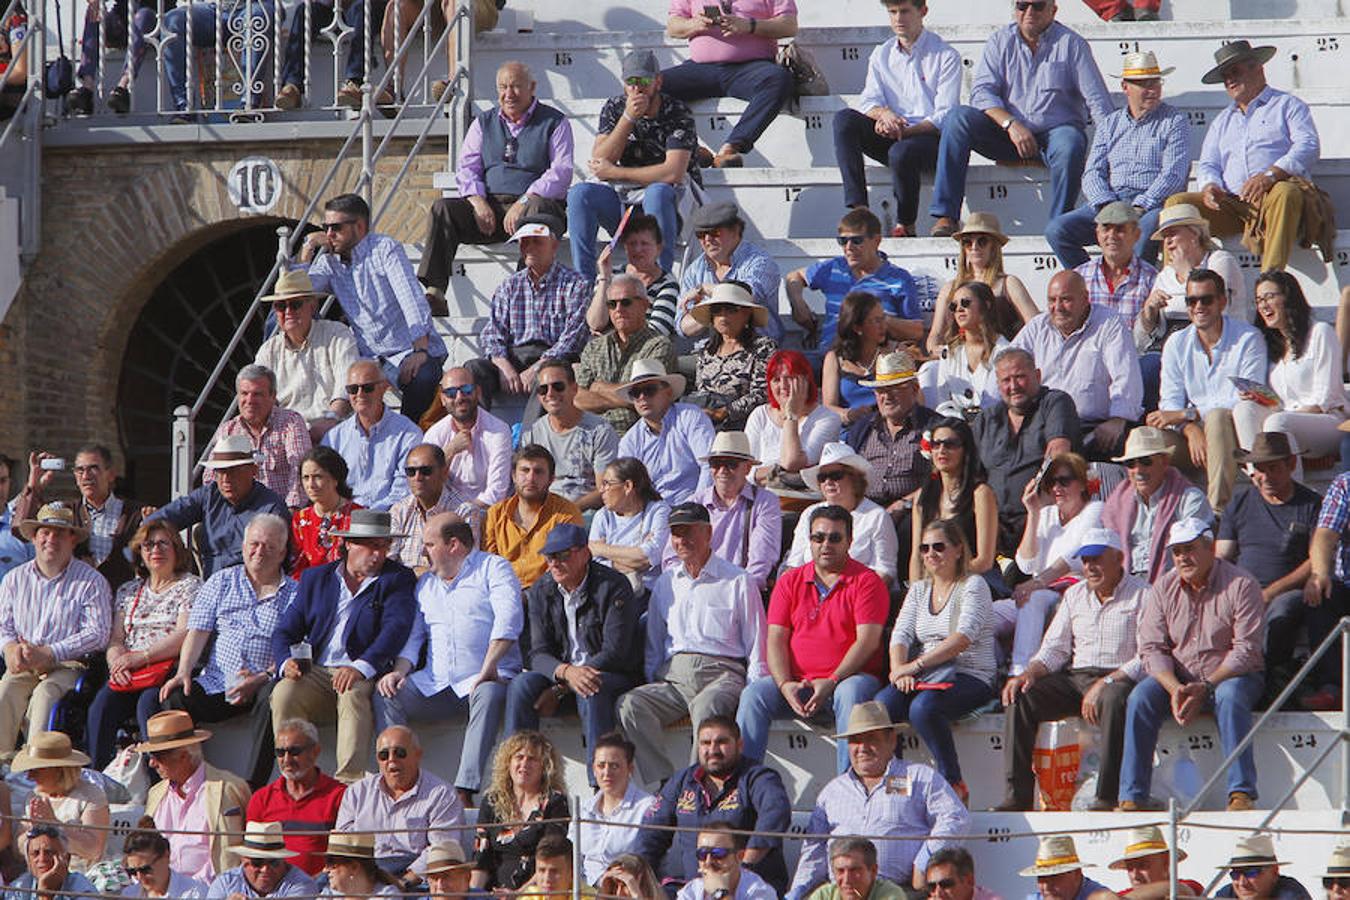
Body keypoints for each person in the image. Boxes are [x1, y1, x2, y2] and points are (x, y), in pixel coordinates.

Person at [927, 0, 1113, 236]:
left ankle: (1060, 226)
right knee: (957, 119)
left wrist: (1116, 149)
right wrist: (1010, 123)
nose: (1028, 12)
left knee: (1070, 143)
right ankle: (946, 215)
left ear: (1053, 10)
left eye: (1037, 6)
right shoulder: (1000, 40)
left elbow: (1098, 102)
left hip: (1054, 136)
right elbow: (982, 92)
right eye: (1022, 5)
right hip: (1006, 133)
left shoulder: (1072, 44)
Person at [1118, 517, 1265, 813]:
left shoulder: (1241, 584)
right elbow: (1151, 647)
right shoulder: (1164, 587)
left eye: (1190, 549)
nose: (1183, 557)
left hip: (1232, 675)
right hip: (1181, 678)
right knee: (1139, 698)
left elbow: (1246, 650)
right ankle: (1132, 795)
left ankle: (1241, 793)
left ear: (1210, 548)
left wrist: (1207, 685)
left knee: (1230, 696)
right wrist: (1175, 688)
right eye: (1177, 551)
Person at [997, 528, 1145, 812]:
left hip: (1120, 675)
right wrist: (1029, 673)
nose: (1090, 566)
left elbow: (1147, 655)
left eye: (1097, 559)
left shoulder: (1142, 594)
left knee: (1114, 699)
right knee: (1021, 694)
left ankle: (1107, 795)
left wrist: (1106, 682)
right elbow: (1055, 649)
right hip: (1077, 677)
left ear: (1119, 558)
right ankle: (1018, 795)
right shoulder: (1075, 594)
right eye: (1086, 560)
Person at [376, 513, 521, 800]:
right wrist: (399, 672)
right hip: (437, 684)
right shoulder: (426, 584)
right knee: (386, 693)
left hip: (487, 678)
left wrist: (488, 668)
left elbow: (510, 620)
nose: (422, 551)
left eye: (429, 544)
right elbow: (414, 639)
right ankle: (398, 780)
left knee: (488, 692)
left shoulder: (494, 568)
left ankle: (465, 788)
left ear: (453, 544)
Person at [620, 503, 767, 786]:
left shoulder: (737, 580)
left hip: (723, 675)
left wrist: (752, 687)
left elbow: (756, 640)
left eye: (689, 532)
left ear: (708, 534)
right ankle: (666, 785)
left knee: (706, 707)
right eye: (676, 533)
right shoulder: (666, 583)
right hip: (675, 678)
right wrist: (655, 677)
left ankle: (693, 788)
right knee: (629, 705)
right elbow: (654, 642)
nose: (681, 540)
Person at [268, 508, 416, 783]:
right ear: (348, 544)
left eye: (384, 547)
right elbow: (285, 630)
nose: (379, 554)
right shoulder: (316, 579)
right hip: (317, 670)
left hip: (361, 670)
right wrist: (285, 661)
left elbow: (395, 629)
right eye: (371, 546)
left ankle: (348, 782)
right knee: (284, 693)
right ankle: (293, 775)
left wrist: (360, 667)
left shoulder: (397, 578)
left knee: (352, 692)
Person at [738, 505, 888, 774]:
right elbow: (775, 640)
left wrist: (831, 681)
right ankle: (740, 788)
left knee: (849, 692)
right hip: (798, 684)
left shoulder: (867, 581)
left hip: (848, 680)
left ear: (850, 541)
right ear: (810, 541)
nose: (825, 544)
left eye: (835, 538)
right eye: (818, 537)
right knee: (754, 695)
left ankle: (848, 787)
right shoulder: (790, 581)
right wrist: (785, 685)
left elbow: (868, 642)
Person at [417, 61, 572, 304]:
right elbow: (466, 168)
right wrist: (478, 201)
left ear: (532, 87)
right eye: (503, 87)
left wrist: (523, 201)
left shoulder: (554, 122)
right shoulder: (483, 123)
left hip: (533, 207)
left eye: (516, 87)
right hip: (491, 209)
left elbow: (561, 173)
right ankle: (434, 291)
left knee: (538, 209)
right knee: (443, 209)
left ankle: (526, 289)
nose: (508, 94)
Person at [159, 514, 296, 786]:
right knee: (175, 696)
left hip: (261, 684)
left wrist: (262, 678)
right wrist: (184, 671)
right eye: (254, 544)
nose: (259, 552)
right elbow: (197, 631)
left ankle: (252, 788)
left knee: (275, 697)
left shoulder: (295, 593)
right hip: (218, 682)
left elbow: (293, 648)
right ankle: (188, 780)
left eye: (269, 546)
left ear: (281, 552)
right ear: (244, 547)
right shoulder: (222, 581)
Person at [1166, 40, 1323, 272]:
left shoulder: (1287, 105)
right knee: (1176, 204)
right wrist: (1210, 187)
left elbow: (1308, 145)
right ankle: (1174, 282)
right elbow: (1209, 163)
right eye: (1225, 76)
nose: (1229, 80)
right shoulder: (1222, 121)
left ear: (1258, 68)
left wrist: (1270, 176)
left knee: (1286, 191)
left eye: (1235, 72)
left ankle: (1270, 278)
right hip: (1231, 204)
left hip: (1273, 197)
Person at [789, 703, 968, 900]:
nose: (862, 748)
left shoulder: (918, 777)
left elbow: (955, 817)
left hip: (901, 891)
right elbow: (813, 850)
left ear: (892, 740)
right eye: (855, 741)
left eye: (871, 738)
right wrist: (796, 894)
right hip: (841, 892)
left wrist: (925, 859)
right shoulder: (831, 792)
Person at [506, 524, 643, 772]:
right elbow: (537, 654)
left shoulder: (613, 586)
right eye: (549, 557)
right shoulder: (541, 590)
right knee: (521, 686)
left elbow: (615, 652)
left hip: (610, 675)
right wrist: (566, 674)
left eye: (562, 555)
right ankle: (514, 779)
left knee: (590, 688)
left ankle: (598, 785)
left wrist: (563, 687)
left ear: (584, 554)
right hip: (565, 673)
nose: (554, 564)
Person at [303, 194, 447, 422]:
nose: (329, 234)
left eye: (336, 227)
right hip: (365, 356)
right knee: (278, 316)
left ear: (359, 226)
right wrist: (308, 249)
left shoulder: (384, 249)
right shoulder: (329, 260)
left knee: (424, 375)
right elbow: (300, 293)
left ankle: (409, 440)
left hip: (404, 350)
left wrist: (420, 350)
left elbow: (411, 298)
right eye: (326, 227)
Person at [877, 521, 994, 802]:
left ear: (958, 550)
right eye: (925, 548)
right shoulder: (918, 590)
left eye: (939, 547)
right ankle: (897, 784)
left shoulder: (973, 585)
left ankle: (952, 783)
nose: (931, 554)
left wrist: (913, 667)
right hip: (927, 675)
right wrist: (897, 671)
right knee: (883, 705)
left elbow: (963, 637)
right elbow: (901, 633)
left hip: (970, 673)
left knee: (923, 709)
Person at [1046, 52, 1189, 269]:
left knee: (1147, 228)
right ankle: (1093, 282)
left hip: (1150, 204)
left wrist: (1141, 205)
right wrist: (1106, 204)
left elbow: (1173, 174)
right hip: (1111, 200)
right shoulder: (1109, 124)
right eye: (1143, 83)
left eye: (1155, 82)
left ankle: (1133, 287)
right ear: (1126, 87)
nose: (1152, 89)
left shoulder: (1174, 120)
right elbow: (1093, 171)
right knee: (1057, 230)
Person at [832, 0, 960, 237]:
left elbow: (945, 115)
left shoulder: (946, 55)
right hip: (893, 133)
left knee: (901, 151)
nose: (898, 18)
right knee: (844, 120)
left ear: (923, 12)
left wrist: (906, 131)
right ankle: (860, 210)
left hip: (930, 140)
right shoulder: (881, 54)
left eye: (904, 11)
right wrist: (885, 114)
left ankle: (906, 224)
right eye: (892, 12)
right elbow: (869, 101)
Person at [568, 49, 697, 282]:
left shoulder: (677, 111)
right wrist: (627, 119)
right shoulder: (615, 107)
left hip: (669, 203)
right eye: (631, 82)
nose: (637, 88)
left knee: (658, 192)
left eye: (644, 81)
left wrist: (616, 172)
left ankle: (659, 280)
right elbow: (600, 159)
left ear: (658, 81)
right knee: (580, 193)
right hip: (625, 202)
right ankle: (584, 282)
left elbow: (673, 172)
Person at [1146, 268, 1268, 511]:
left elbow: (1247, 397)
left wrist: (1189, 414)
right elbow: (1169, 403)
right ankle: (1151, 513)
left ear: (1222, 301)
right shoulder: (1176, 343)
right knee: (1143, 440)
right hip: (1190, 437)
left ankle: (1217, 512)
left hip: (1234, 432)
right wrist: (1190, 429)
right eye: (1192, 300)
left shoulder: (1248, 339)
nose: (1198, 306)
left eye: (1206, 299)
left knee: (1217, 417)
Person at [1217, 433, 1325, 697]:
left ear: (1290, 465)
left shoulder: (1311, 504)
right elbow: (1222, 555)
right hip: (1241, 590)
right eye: (1260, 469)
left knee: (1281, 610)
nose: (1265, 477)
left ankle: (1264, 680)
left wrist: (1270, 592)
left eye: (1273, 468)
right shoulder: (1239, 502)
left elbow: (1317, 556)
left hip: (1290, 590)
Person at [86, 521, 199, 770]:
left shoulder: (189, 586)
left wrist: (142, 657)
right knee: (101, 706)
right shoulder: (128, 590)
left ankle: (160, 780)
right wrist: (117, 663)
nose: (154, 550)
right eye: (148, 545)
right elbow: (116, 639)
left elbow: (184, 634)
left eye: (162, 543)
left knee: (148, 705)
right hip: (130, 671)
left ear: (176, 550)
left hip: (165, 669)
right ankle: (98, 777)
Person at [0, 501, 111, 753]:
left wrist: (50, 652)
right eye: (44, 532)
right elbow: (2, 625)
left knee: (45, 696)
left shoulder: (91, 581)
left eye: (59, 533)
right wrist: (9, 648)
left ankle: (36, 768)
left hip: (68, 664)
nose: (51, 539)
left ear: (72, 539)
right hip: (23, 660)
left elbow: (99, 633)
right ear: (34, 538)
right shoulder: (13, 579)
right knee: (4, 693)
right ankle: (2, 771)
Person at [636, 716, 791, 896]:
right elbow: (651, 835)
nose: (712, 750)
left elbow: (776, 814)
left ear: (739, 745)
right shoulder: (682, 781)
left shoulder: (758, 778)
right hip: (693, 891)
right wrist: (636, 873)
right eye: (705, 743)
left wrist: (743, 868)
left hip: (749, 890)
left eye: (721, 742)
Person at [1010, 272, 1141, 461]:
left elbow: (1126, 376)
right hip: (1044, 424)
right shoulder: (1038, 326)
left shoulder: (1109, 323)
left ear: (1085, 299)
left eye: (1065, 300)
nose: (1057, 308)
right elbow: (1007, 363)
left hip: (1093, 428)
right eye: (1052, 300)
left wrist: (1117, 419)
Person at [467, 214, 591, 412]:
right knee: (473, 370)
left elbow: (573, 339)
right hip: (513, 356)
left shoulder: (575, 285)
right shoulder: (509, 286)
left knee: (549, 377)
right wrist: (502, 365)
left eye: (537, 241)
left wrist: (537, 368)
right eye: (524, 242)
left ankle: (531, 438)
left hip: (552, 357)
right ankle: (478, 432)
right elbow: (493, 333)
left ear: (554, 245)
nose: (529, 247)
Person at [661, 0, 798, 169]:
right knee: (653, 87)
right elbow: (673, 27)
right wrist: (695, 24)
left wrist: (750, 25)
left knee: (779, 79)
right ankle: (689, 147)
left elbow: (789, 25)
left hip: (751, 68)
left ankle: (732, 147)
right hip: (701, 68)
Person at [972, 346, 1081, 551]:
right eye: (1006, 380)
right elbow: (972, 474)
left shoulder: (1055, 402)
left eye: (1020, 377)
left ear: (1037, 375)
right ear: (998, 384)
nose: (1013, 386)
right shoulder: (987, 419)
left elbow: (1059, 454)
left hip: (1042, 519)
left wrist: (1036, 497)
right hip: (992, 525)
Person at [1233, 271, 1348, 457]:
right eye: (1259, 300)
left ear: (1288, 298)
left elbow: (1325, 399)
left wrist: (1283, 415)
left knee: (1277, 424)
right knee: (1244, 410)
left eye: (1269, 297)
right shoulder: (1272, 346)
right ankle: (1259, 474)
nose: (1263, 305)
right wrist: (1259, 396)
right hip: (1289, 418)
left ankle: (1291, 485)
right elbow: (1280, 402)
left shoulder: (1320, 332)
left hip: (1328, 420)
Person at [1008, 452, 1103, 675]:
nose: (1057, 488)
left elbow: (1074, 555)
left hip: (1072, 589)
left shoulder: (1095, 509)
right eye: (1052, 482)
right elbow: (1026, 564)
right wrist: (1033, 513)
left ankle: (1021, 672)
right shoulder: (1047, 513)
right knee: (989, 615)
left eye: (1065, 481)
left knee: (1033, 599)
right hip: (1038, 588)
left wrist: (1037, 583)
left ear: (1082, 483)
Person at [335, 726, 466, 884]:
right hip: (364, 872)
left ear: (418, 755)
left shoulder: (441, 794)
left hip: (414, 873)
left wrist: (405, 882)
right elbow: (344, 845)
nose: (391, 760)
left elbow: (442, 848)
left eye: (399, 753)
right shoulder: (356, 793)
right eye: (384, 755)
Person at [146, 435, 291, 577]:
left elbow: (270, 566)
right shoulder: (209, 495)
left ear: (254, 471)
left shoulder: (271, 509)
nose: (226, 479)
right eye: (220, 471)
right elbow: (158, 521)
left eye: (234, 470)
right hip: (211, 589)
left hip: (251, 590)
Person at [783, 209, 923, 354]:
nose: (848, 247)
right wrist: (797, 302)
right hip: (829, 355)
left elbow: (916, 331)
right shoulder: (834, 267)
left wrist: (877, 320)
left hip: (872, 359)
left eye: (857, 240)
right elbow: (794, 277)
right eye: (843, 241)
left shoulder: (898, 278)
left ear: (876, 241)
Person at [660, 432, 782, 595]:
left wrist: (736, 593)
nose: (722, 471)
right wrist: (689, 588)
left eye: (731, 464)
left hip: (737, 591)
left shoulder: (765, 502)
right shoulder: (695, 502)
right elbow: (671, 558)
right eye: (716, 464)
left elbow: (761, 561)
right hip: (692, 590)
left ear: (747, 468)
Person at [139, 710, 252, 882]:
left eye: (157, 756)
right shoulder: (156, 794)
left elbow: (240, 854)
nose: (151, 763)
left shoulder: (230, 789)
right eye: (150, 756)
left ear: (183, 756)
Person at [14, 444, 143, 588]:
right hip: (76, 600)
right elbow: (20, 530)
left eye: (93, 469)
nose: (86, 476)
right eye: (80, 470)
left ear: (111, 474)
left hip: (121, 603)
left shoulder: (134, 514)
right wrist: (34, 485)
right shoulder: (65, 511)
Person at [253, 270, 360, 442]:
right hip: (286, 435)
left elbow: (346, 388)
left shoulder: (337, 334)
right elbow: (261, 398)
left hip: (335, 430)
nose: (288, 311)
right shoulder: (268, 350)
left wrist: (329, 422)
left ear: (312, 306)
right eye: (280, 306)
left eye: (295, 304)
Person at [845, 351, 936, 550]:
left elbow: (943, 478)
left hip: (911, 512)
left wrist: (904, 503)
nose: (885, 396)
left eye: (894, 388)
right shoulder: (862, 428)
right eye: (880, 390)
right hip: (864, 510)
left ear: (914, 389)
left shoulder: (933, 427)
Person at [1101, 426, 1211, 583]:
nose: (1138, 470)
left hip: (1173, 583)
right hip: (1124, 584)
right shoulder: (1117, 502)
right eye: (1131, 463)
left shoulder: (1189, 498)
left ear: (1164, 462)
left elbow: (1195, 553)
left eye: (1146, 461)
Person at [782, 443, 899, 586]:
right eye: (822, 477)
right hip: (811, 594)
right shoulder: (809, 514)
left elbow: (885, 571)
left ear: (855, 479)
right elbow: (795, 565)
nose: (828, 482)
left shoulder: (876, 516)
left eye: (835, 476)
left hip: (858, 595)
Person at [1136, 204, 1248, 353]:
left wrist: (1187, 272)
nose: (1167, 242)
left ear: (1195, 234)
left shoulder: (1220, 261)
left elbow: (1218, 313)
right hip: (1166, 349)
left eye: (1173, 234)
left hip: (1218, 348)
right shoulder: (1166, 274)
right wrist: (1149, 313)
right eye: (1165, 237)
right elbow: (1141, 338)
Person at [576, 273, 679, 435]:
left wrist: (598, 387)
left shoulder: (659, 345)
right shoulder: (594, 347)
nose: (618, 309)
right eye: (611, 304)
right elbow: (577, 399)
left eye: (626, 302)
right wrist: (628, 394)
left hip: (632, 436)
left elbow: (649, 399)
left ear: (645, 305)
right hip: (587, 435)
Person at [320, 359, 425, 511]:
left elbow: (404, 491)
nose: (360, 394)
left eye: (367, 388)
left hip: (390, 520)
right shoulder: (334, 438)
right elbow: (326, 484)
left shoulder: (408, 434)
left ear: (384, 387)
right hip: (343, 520)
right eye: (353, 389)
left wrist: (368, 516)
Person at [471, 731, 570, 891]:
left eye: (532, 759)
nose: (524, 764)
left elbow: (550, 860)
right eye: (519, 757)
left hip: (534, 892)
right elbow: (481, 859)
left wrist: (518, 894)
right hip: (493, 893)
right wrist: (474, 894)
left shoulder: (555, 802)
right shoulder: (491, 801)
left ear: (545, 767)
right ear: (508, 763)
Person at [926, 214, 1038, 356]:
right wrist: (940, 351)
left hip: (1000, 359)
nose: (974, 247)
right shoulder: (950, 288)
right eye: (967, 242)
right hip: (961, 358)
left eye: (982, 241)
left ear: (993, 247)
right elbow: (935, 334)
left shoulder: (1009, 283)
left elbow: (1036, 326)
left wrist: (1013, 353)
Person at [204, 365, 312, 509]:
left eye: (257, 394)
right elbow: (210, 477)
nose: (249, 400)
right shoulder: (228, 429)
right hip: (238, 512)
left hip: (280, 511)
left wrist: (291, 509)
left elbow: (299, 468)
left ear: (273, 396)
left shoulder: (290, 422)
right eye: (244, 393)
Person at [246, 719, 346, 876]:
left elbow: (345, 857)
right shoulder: (261, 798)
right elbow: (249, 855)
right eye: (280, 752)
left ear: (315, 751)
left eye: (294, 751)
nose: (286, 760)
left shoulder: (339, 796)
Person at [909, 418, 999, 586]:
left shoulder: (980, 494)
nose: (942, 450)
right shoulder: (923, 496)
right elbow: (916, 556)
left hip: (975, 581)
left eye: (950, 444)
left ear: (965, 450)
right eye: (936, 444)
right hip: (934, 585)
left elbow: (985, 560)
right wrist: (916, 594)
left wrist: (945, 582)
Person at [678, 202, 785, 344]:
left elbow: (744, 297)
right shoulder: (694, 270)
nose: (707, 240)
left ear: (735, 230)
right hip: (708, 354)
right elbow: (683, 327)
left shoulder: (760, 263)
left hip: (756, 350)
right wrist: (712, 311)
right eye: (701, 234)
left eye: (715, 232)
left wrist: (705, 293)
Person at [616, 359, 717, 506]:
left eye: (649, 390)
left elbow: (709, 465)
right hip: (652, 513)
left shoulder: (691, 416)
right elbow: (628, 487)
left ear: (668, 392)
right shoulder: (630, 440)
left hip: (694, 508)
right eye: (636, 393)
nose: (642, 397)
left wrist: (694, 507)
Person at [484, 445, 585, 590]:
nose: (531, 478)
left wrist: (530, 596)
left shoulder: (566, 513)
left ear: (551, 479)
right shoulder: (495, 514)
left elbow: (567, 566)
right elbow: (489, 565)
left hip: (549, 596)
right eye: (525, 471)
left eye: (538, 472)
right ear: (513, 476)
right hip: (504, 594)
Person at [525, 358, 620, 511]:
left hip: (586, 513)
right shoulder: (533, 433)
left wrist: (568, 510)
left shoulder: (600, 431)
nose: (550, 394)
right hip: (544, 510)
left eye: (558, 386)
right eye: (543, 389)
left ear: (574, 389)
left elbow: (605, 489)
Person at [158, 0, 274, 120]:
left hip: (251, 7)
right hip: (208, 10)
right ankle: (184, 107)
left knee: (257, 15)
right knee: (172, 21)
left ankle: (250, 104)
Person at [688, 281, 777, 432]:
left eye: (730, 309)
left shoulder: (763, 347)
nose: (722, 316)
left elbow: (762, 393)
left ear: (747, 313)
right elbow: (701, 391)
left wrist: (725, 412)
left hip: (744, 425)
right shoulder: (706, 351)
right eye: (717, 310)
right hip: (706, 423)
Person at [13, 732, 109, 871]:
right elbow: (17, 850)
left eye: (36, 770)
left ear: (58, 770)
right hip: (39, 875)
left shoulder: (91, 795)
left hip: (80, 879)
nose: (29, 776)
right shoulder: (33, 797)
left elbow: (93, 849)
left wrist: (55, 825)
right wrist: (32, 831)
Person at [423, 367, 514, 511]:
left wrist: (463, 515)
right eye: (451, 393)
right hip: (446, 512)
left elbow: (497, 492)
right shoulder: (435, 434)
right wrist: (449, 451)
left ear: (478, 392)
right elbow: (426, 484)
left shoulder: (498, 430)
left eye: (466, 389)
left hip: (489, 512)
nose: (459, 397)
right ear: (443, 399)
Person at [746, 350, 840, 482]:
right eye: (777, 380)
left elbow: (792, 462)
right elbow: (745, 471)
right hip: (761, 496)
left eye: (790, 378)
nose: (783, 386)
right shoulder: (759, 415)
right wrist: (778, 471)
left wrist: (791, 415)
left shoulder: (828, 418)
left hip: (801, 499)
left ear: (805, 380)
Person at [919, 281, 1010, 418]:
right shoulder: (949, 353)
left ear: (986, 305)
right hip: (957, 428)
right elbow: (943, 405)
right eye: (954, 306)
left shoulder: (1005, 351)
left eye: (966, 303)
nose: (959, 309)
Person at [1301, 467, 1350, 712]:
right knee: (1318, 594)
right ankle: (1331, 688)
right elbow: (1324, 536)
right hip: (1347, 586)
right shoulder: (1345, 484)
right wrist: (1319, 573)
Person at [588, 215, 684, 341]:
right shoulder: (611, 275)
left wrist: (612, 337)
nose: (638, 249)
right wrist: (604, 278)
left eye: (644, 244)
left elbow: (657, 331)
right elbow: (596, 323)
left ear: (659, 248)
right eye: (632, 244)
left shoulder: (666, 283)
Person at [580, 734, 656, 885]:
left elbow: (648, 860)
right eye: (601, 766)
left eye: (614, 766)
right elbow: (572, 856)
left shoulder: (647, 807)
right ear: (594, 769)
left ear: (630, 769)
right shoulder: (584, 809)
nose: (607, 773)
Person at [1070, 203, 1160, 329]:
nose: (1111, 236)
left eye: (1120, 229)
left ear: (1137, 235)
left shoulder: (1151, 278)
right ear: (1097, 234)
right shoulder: (1080, 276)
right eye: (1106, 229)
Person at [590, 457, 671, 594]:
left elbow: (649, 557)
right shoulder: (603, 516)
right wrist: (634, 556)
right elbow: (593, 564)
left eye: (607, 483)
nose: (601, 490)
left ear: (627, 486)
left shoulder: (658, 511)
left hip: (649, 591)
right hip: (610, 591)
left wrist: (601, 549)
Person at [821, 292, 895, 426]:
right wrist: (849, 414)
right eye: (876, 321)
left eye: (883, 318)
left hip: (885, 427)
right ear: (857, 327)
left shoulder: (892, 354)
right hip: (850, 430)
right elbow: (829, 407)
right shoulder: (835, 359)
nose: (883, 326)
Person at [291, 447, 361, 579]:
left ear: (335, 479)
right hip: (310, 587)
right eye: (305, 478)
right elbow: (298, 566)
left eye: (318, 477)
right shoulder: (300, 519)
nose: (310, 484)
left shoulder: (357, 515)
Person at [387, 444, 456, 571]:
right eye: (411, 472)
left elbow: (463, 566)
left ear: (444, 473)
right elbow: (387, 561)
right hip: (402, 587)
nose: (417, 478)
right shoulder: (399, 511)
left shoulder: (463, 512)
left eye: (426, 471)